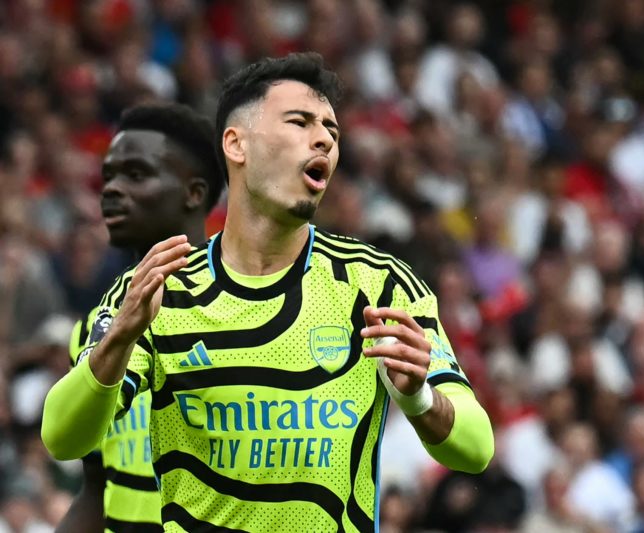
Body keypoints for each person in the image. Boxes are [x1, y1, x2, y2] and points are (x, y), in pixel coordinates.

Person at [41, 52, 494, 532]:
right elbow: (62, 439)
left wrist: (420, 398)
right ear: (236, 144)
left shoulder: (376, 285)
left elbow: (477, 448)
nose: (323, 137)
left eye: (332, 131)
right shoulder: (162, 289)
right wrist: (118, 340)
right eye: (300, 122)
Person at [55, 103, 224, 533]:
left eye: (135, 175)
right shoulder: (97, 327)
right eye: (108, 175)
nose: (110, 189)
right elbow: (96, 490)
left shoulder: (243, 316)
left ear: (194, 193)